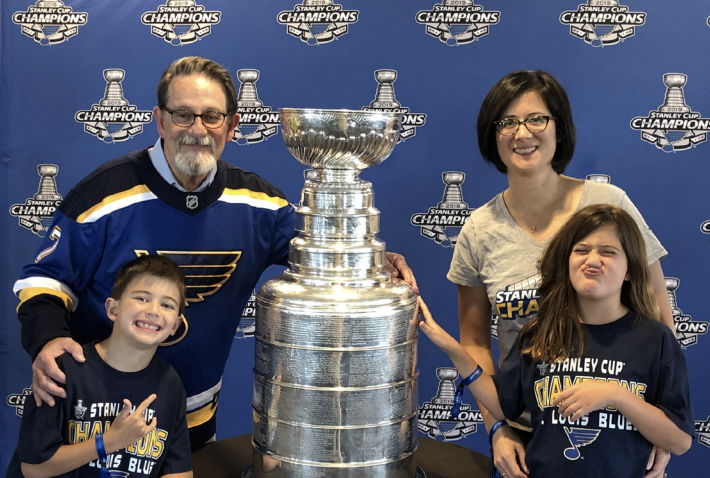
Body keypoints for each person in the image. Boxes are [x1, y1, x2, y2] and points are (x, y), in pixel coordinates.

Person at [13, 56, 417, 451]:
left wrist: (370, 259)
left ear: (232, 125)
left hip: (191, 415)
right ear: (160, 121)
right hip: (97, 415)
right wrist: (48, 339)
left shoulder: (259, 204)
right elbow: (45, 280)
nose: (197, 129)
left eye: (211, 116)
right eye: (183, 115)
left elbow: (318, 253)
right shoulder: (103, 195)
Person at [446, 70, 674, 478]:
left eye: (537, 119)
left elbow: (656, 312)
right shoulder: (479, 230)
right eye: (507, 122)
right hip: (528, 440)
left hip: (617, 435)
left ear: (559, 127)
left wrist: (658, 425)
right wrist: (497, 428)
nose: (522, 133)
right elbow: (476, 342)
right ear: (492, 136)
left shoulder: (609, 204)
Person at [421, 204, 694, 478]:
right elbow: (501, 405)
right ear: (566, 262)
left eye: (608, 252)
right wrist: (452, 348)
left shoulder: (655, 339)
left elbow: (679, 441)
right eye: (581, 250)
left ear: (630, 270)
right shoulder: (541, 333)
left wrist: (616, 395)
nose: (593, 260)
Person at [7, 255, 192, 478]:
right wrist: (109, 441)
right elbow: (33, 468)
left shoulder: (170, 383)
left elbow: (179, 470)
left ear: (175, 326)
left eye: (167, 305)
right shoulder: (64, 369)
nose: (154, 310)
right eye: (142, 298)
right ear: (113, 309)